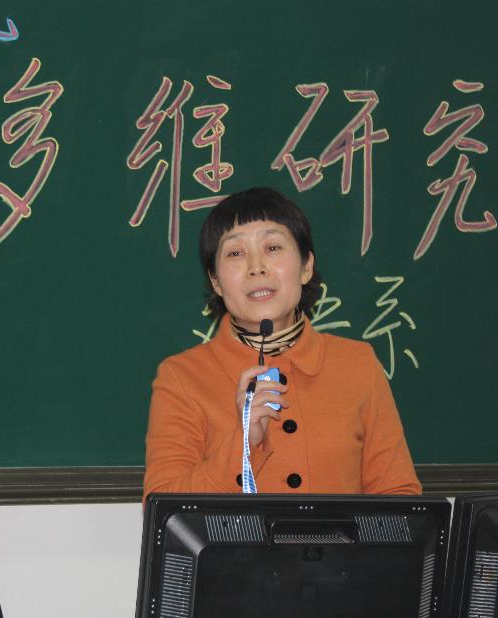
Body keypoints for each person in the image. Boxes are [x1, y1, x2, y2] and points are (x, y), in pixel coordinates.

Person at [143, 186, 421, 498]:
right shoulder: (181, 377)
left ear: (306, 266)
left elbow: (399, 497)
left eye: (273, 247)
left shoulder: (358, 364)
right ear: (216, 282)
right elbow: (166, 508)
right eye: (235, 253)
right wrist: (245, 442)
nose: (256, 267)